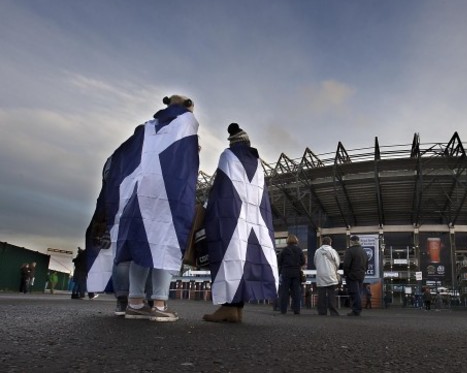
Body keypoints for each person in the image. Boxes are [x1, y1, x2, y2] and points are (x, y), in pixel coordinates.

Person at [86, 95, 200, 322]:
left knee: (139, 246)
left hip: (138, 193)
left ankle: (135, 302)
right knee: (165, 244)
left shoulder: (147, 127)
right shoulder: (187, 122)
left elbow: (123, 156)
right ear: (187, 107)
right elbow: (186, 163)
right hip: (170, 192)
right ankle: (159, 304)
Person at [202, 123, 279, 323]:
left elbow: (221, 187)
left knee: (229, 256)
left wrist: (209, 207)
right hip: (256, 217)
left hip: (232, 214)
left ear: (232, 142)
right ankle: (237, 308)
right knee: (248, 259)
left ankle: (228, 307)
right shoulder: (257, 161)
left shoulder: (228, 156)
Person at [277, 234, 305, 315]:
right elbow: (303, 261)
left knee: (284, 292)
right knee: (296, 292)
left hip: (286, 272)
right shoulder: (299, 250)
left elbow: (279, 262)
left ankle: (283, 310)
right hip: (296, 273)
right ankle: (297, 310)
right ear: (296, 241)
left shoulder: (284, 250)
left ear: (287, 241)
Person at [313, 236, 341, 316]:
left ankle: (322, 311)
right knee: (331, 294)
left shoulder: (317, 251)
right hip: (331, 274)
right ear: (330, 243)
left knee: (321, 295)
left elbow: (315, 262)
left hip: (320, 275)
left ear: (322, 242)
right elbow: (337, 262)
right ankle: (333, 311)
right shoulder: (332, 251)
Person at [342, 235, 368, 316]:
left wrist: (346, 274)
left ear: (351, 242)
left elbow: (346, 264)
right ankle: (357, 309)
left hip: (352, 275)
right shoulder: (363, 251)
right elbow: (367, 264)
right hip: (361, 275)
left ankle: (356, 310)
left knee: (354, 292)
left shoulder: (350, 251)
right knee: (358, 292)